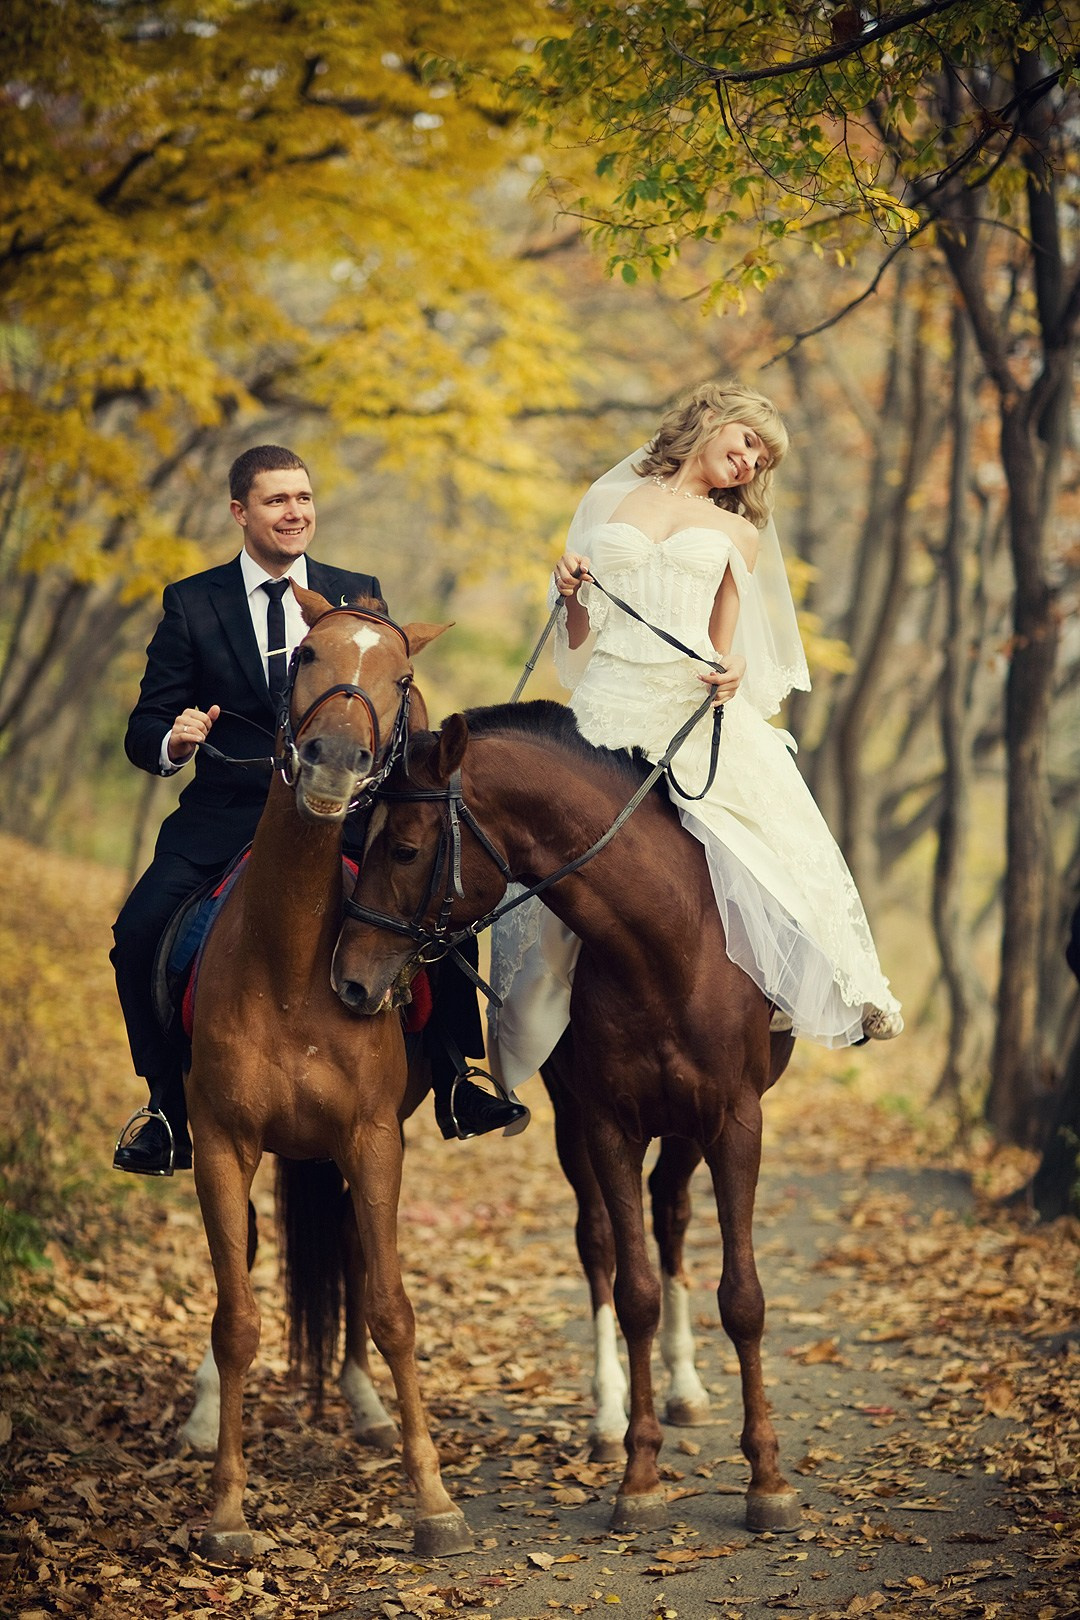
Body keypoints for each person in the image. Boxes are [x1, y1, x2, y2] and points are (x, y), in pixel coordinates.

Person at [112, 444, 523, 1175]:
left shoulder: (355, 592)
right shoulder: (193, 603)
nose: (294, 512)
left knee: (439, 912)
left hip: (348, 814)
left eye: (303, 498)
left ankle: (458, 1074)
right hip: (227, 813)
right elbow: (145, 727)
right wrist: (174, 740)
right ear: (241, 512)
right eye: (276, 500)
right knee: (138, 930)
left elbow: (392, 703)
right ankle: (165, 1110)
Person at [486, 382, 902, 1090]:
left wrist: (733, 670)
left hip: (686, 705)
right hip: (603, 704)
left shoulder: (739, 531)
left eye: (762, 462)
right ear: (712, 422)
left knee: (756, 853)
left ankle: (791, 992)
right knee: (540, 855)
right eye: (747, 444)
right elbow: (581, 637)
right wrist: (567, 595)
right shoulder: (609, 502)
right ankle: (520, 1042)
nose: (750, 465)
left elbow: (727, 645)